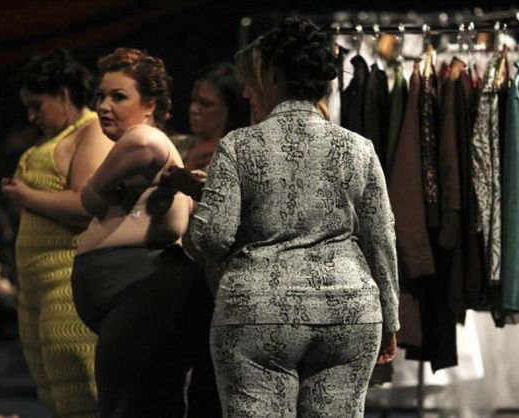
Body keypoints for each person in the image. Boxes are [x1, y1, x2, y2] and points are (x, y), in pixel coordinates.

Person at [188, 18, 400, 417]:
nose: (247, 92)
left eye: (253, 80)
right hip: (349, 311)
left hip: (258, 311)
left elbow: (212, 236)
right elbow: (381, 238)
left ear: (272, 76)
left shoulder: (238, 146)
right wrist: (390, 318)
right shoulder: (358, 148)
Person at [70, 47, 211, 418]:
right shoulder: (158, 153)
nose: (103, 106)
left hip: (145, 296)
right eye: (100, 96)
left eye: (118, 97)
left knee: (128, 407)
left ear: (150, 105)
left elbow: (88, 199)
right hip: (144, 297)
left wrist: (99, 187)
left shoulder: (143, 139)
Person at [2, 48, 113, 418]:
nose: (32, 116)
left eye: (37, 105)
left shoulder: (90, 130)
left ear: (63, 94)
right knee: (56, 397)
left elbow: (85, 204)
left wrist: (26, 196)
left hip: (66, 287)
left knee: (82, 393)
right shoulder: (57, 135)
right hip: (37, 289)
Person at [173, 63, 250, 171]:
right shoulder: (174, 145)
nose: (193, 109)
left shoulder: (239, 160)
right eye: (194, 100)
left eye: (205, 104)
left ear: (230, 109)